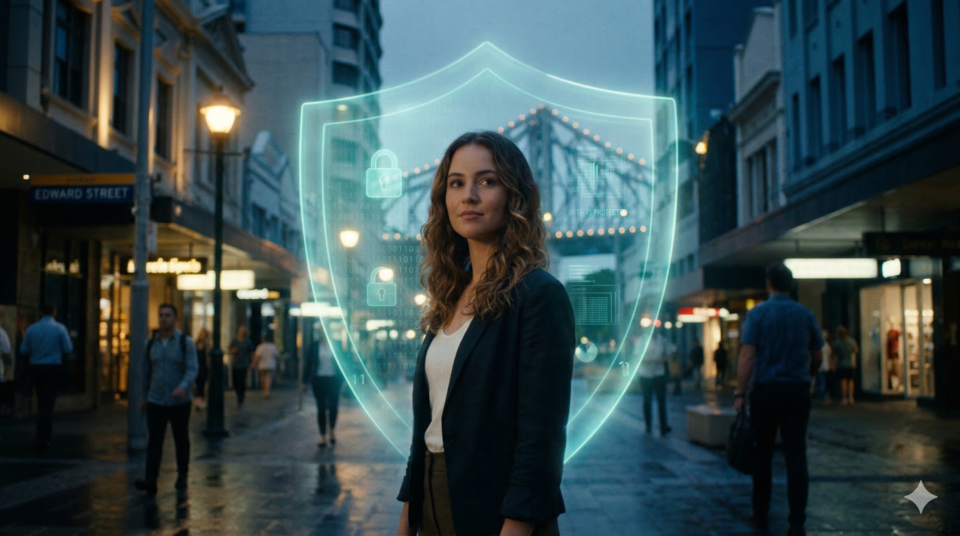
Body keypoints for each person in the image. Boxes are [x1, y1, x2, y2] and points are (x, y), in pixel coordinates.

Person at [396, 132, 575, 536]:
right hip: (434, 500)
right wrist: (408, 514)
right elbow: (430, 424)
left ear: (514, 196)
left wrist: (517, 525)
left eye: (487, 181)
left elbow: (541, 438)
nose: (468, 195)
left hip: (496, 511)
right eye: (456, 183)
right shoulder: (450, 296)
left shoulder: (540, 296)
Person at [735, 262, 823, 536]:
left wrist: (740, 392)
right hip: (797, 391)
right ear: (792, 285)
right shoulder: (805, 314)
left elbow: (748, 355)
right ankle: (797, 520)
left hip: (766, 391)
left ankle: (760, 510)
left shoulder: (758, 314)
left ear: (769, 284)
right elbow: (818, 353)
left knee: (763, 453)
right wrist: (807, 375)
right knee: (796, 456)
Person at [134, 304, 198, 495]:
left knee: (181, 439)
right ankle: (150, 480)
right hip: (156, 400)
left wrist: (183, 387)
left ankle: (183, 474)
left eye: (168, 315)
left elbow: (192, 368)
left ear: (175, 319)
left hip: (179, 402)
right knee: (154, 440)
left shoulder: (185, 342)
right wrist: (144, 397)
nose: (163, 319)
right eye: (161, 315)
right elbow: (146, 372)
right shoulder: (151, 344)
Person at [19, 302, 73, 449]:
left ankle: (42, 432)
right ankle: (45, 434)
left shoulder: (32, 329)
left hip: (36, 367)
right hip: (53, 367)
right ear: (54, 312)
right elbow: (68, 348)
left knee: (41, 399)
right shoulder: (60, 328)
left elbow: (24, 349)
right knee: (48, 402)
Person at [302, 332, 342, 447]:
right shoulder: (314, 346)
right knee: (321, 407)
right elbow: (308, 363)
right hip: (319, 380)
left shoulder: (336, 345)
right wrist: (305, 381)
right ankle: (323, 436)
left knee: (333, 406)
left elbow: (342, 363)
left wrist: (344, 381)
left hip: (334, 380)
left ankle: (332, 431)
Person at [637, 330, 673, 435]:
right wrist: (649, 360)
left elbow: (669, 352)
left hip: (658, 373)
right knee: (647, 400)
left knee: (661, 401)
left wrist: (663, 359)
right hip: (645, 374)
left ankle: (663, 426)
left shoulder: (662, 340)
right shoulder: (642, 340)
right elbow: (638, 355)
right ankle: (648, 425)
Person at [228, 326, 253, 409]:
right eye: (241, 331)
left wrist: (251, 363)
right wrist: (233, 351)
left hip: (243, 365)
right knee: (236, 382)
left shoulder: (248, 342)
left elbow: (251, 353)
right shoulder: (234, 341)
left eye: (243, 332)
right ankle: (238, 394)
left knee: (242, 383)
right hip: (235, 364)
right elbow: (229, 350)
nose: (242, 333)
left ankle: (240, 399)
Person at [833, 326, 859, 406]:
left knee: (843, 381)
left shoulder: (837, 342)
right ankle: (850, 397)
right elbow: (856, 351)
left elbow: (835, 355)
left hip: (841, 364)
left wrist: (834, 365)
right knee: (851, 381)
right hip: (851, 363)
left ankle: (844, 398)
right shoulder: (851, 341)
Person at [252, 334, 280, 399]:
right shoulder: (272, 346)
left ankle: (264, 391)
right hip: (270, 365)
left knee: (263, 378)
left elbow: (257, 356)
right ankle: (267, 391)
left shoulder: (260, 347)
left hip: (262, 365)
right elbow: (277, 355)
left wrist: (254, 364)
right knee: (268, 378)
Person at [814, 329, 833, 403]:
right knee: (823, 383)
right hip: (823, 366)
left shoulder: (824, 345)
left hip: (824, 366)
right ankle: (824, 397)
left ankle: (824, 397)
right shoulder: (825, 345)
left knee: (823, 382)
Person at [193, 328, 209, 411]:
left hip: (204, 368)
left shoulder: (207, 345)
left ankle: (201, 402)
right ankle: (198, 402)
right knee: (197, 386)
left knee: (202, 386)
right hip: (196, 367)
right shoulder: (195, 344)